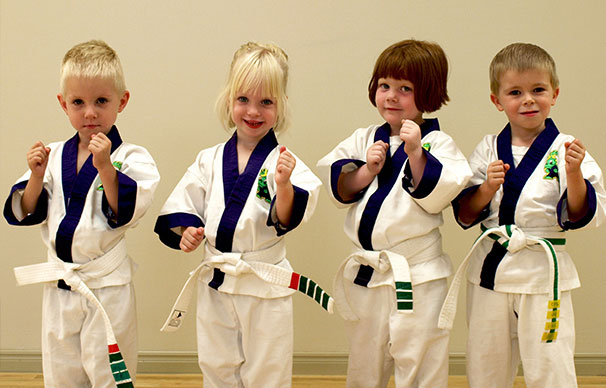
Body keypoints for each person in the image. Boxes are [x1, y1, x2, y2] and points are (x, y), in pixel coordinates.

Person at [154, 42, 330, 387]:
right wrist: (187, 231)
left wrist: (283, 184)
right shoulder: (209, 159)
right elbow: (183, 207)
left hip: (264, 284)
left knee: (268, 370)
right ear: (229, 98)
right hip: (217, 281)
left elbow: (286, 219)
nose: (253, 111)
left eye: (266, 102)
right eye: (244, 99)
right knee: (216, 365)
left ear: (281, 106)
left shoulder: (284, 162)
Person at [440, 43, 606, 388]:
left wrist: (573, 173)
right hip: (492, 270)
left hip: (544, 273)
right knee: (486, 363)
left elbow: (580, 214)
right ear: (497, 101)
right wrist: (486, 188)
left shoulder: (567, 148)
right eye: (515, 92)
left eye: (538, 90)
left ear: (554, 94)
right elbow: (466, 212)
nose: (528, 99)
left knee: (550, 365)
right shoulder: (488, 147)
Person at [3, 40, 160, 387]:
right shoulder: (53, 154)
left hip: (106, 287)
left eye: (101, 101)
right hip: (61, 287)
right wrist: (36, 175)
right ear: (63, 104)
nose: (90, 113)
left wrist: (105, 167)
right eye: (78, 102)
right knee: (61, 374)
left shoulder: (133, 157)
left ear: (122, 101)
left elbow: (126, 211)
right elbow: (27, 210)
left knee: (109, 375)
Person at [317, 39, 472, 388]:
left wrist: (416, 151)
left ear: (428, 95)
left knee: (419, 359)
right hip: (369, 273)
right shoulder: (363, 138)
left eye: (405, 89)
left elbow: (441, 192)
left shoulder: (438, 144)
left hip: (418, 275)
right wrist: (366, 171)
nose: (391, 96)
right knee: (364, 360)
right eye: (385, 86)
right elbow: (340, 186)